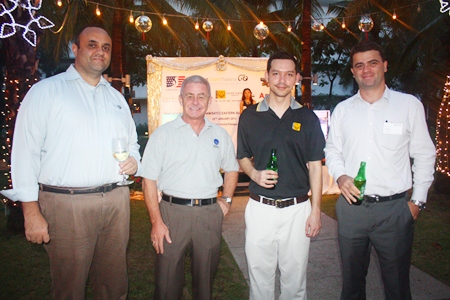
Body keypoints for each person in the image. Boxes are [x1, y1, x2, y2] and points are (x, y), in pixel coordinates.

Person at [2, 25, 141, 299]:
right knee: (69, 288)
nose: (99, 52)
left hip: (116, 202)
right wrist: (30, 212)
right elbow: (24, 153)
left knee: (114, 285)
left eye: (105, 47)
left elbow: (132, 144)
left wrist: (134, 160)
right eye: (92, 44)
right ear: (75, 50)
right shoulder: (46, 92)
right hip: (66, 205)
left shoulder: (116, 99)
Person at [324, 40, 436, 300]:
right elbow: (332, 150)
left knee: (397, 286)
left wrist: (417, 202)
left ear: (384, 66)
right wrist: (341, 176)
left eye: (373, 63)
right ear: (353, 72)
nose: (366, 70)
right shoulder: (342, 111)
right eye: (359, 65)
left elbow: (424, 153)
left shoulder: (408, 105)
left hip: (394, 212)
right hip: (351, 210)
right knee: (351, 285)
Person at [141, 75, 239, 300]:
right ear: (180, 99)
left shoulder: (220, 135)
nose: (195, 101)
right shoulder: (163, 135)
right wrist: (156, 223)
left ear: (209, 100)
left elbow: (232, 169)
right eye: (190, 96)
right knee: (166, 284)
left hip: (208, 214)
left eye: (201, 96)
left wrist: (227, 200)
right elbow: (148, 180)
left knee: (205, 283)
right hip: (172, 214)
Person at [237, 52, 325, 300]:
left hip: (297, 211)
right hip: (260, 209)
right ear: (266, 77)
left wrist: (316, 212)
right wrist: (254, 174)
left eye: (289, 74)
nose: (282, 80)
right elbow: (242, 156)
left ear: (297, 78)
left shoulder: (307, 118)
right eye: (276, 73)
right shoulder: (249, 116)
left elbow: (315, 166)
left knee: (295, 284)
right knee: (259, 281)